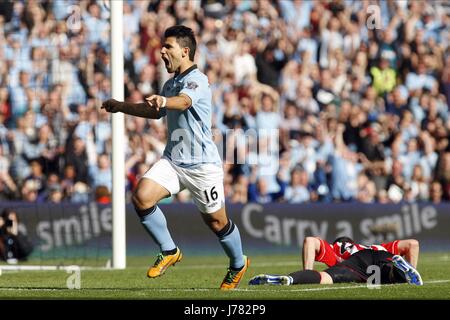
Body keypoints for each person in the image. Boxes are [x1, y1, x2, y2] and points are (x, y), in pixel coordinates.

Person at [101, 25, 248, 290]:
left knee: (217, 222)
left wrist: (165, 102)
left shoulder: (197, 80)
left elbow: (184, 102)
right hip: (173, 160)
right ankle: (169, 251)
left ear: (185, 50)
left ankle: (238, 263)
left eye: (167, 47)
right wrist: (121, 107)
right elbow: (155, 111)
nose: (162, 52)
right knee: (141, 196)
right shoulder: (170, 84)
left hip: (202, 165)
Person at [249, 236, 423, 286]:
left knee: (324, 278)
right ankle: (406, 272)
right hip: (380, 255)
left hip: (353, 265)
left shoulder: (336, 249)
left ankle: (291, 279)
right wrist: (412, 267)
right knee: (390, 274)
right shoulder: (374, 245)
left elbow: (310, 241)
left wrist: (308, 270)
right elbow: (413, 244)